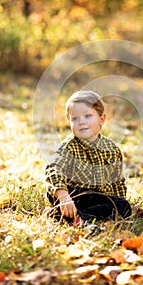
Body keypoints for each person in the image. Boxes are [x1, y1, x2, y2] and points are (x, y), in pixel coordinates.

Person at [45, 90, 132, 225]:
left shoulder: (112, 149)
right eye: (75, 118)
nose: (81, 122)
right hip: (73, 195)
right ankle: (71, 212)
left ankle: (79, 217)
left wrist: (117, 202)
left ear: (101, 119)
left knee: (123, 206)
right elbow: (54, 169)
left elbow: (117, 182)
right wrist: (63, 196)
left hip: (97, 197)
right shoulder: (69, 147)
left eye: (87, 116)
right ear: (69, 122)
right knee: (65, 195)